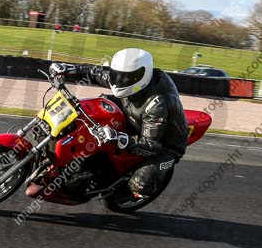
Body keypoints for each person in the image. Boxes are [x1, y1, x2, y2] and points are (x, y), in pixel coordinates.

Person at [48, 48, 188, 199]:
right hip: (133, 111)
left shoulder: (156, 104)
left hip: (163, 144)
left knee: (139, 185)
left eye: (125, 77)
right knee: (95, 111)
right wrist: (69, 69)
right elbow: (96, 73)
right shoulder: (126, 78)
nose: (119, 80)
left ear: (140, 76)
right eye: (116, 74)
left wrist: (118, 137)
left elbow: (151, 145)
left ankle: (116, 189)